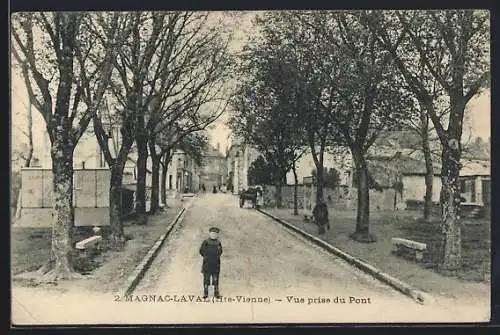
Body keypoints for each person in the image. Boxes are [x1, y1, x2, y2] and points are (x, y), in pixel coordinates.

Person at [199, 227, 223, 298]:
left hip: (216, 264)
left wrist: (215, 256)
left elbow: (220, 251)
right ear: (209, 234)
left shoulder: (218, 243)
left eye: (215, 234)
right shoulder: (206, 242)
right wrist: (207, 256)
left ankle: (216, 292)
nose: (213, 235)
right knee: (206, 278)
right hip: (207, 263)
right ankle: (205, 292)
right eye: (212, 234)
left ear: (217, 235)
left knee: (216, 278)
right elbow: (201, 251)